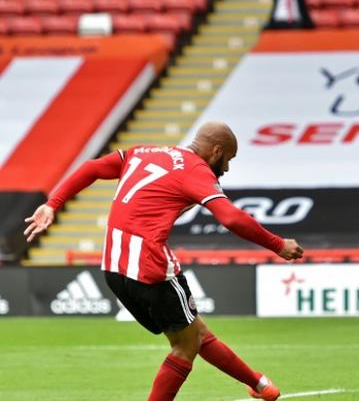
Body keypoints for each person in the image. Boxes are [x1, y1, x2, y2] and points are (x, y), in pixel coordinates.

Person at [23, 122, 303, 401]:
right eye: (228, 160)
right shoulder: (195, 171)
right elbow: (230, 217)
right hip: (150, 266)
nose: (226, 169)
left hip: (113, 266)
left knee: (194, 332)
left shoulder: (143, 152)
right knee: (186, 345)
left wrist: (52, 204)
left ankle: (259, 384)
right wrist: (278, 245)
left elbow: (93, 167)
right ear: (217, 151)